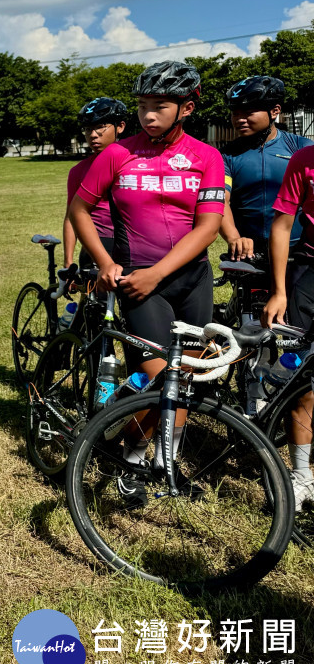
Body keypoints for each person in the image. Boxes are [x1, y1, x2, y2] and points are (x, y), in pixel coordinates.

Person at [69, 61, 225, 506]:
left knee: (186, 382)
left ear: (187, 107)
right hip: (139, 282)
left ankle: (166, 461)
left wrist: (161, 271)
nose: (148, 116)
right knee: (159, 380)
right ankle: (132, 456)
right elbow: (80, 211)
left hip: (191, 280)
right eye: (142, 107)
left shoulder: (207, 157)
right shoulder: (117, 154)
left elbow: (208, 226)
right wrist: (105, 263)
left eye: (160, 106)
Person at [260, 144, 314, 507]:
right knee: (303, 383)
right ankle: (301, 476)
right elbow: (281, 225)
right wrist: (279, 290)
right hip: (309, 275)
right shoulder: (304, 160)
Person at [220, 76, 311, 261]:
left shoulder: (301, 148)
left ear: (274, 110)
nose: (239, 119)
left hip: (298, 249)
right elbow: (221, 199)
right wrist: (234, 238)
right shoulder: (225, 156)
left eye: (248, 112)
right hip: (247, 250)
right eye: (235, 113)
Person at [62, 99, 127, 269]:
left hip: (133, 241)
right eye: (88, 129)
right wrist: (68, 260)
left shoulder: (136, 164)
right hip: (97, 243)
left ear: (120, 126)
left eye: (100, 127)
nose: (93, 135)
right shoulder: (78, 171)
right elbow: (71, 217)